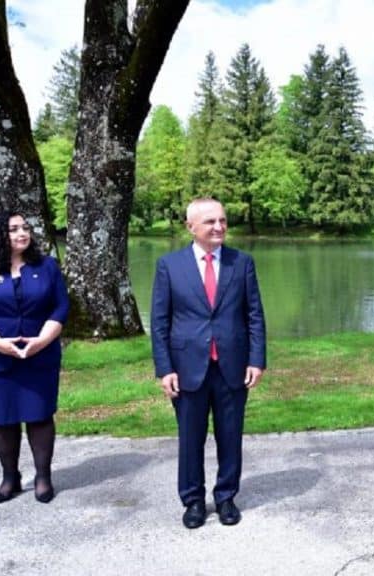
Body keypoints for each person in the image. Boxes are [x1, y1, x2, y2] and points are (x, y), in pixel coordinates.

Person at [151, 198, 266, 529]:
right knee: (190, 438)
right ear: (191, 227)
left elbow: (254, 315)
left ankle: (227, 496)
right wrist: (165, 368)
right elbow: (160, 323)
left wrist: (256, 360)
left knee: (230, 435)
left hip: (232, 366)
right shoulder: (169, 266)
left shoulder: (241, 263)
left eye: (223, 220)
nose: (219, 227)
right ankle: (193, 500)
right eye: (210, 222)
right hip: (187, 369)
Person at [0, 211, 69, 504]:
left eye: (25, 228)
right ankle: (10, 477)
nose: (22, 233)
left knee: (40, 416)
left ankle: (43, 477)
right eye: (13, 229)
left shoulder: (46, 267)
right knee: (3, 419)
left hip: (39, 356)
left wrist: (43, 340)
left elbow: (60, 307)